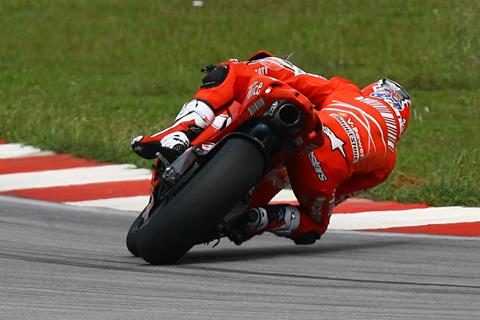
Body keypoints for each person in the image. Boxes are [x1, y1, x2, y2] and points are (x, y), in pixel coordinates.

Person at [131, 50, 411, 245]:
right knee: (313, 227)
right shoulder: (388, 159)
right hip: (318, 172)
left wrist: (250, 65)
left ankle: (182, 132)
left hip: (310, 129)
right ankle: (260, 219)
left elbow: (296, 79)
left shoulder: (348, 91)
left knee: (235, 71)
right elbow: (337, 195)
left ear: (371, 93)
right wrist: (315, 204)